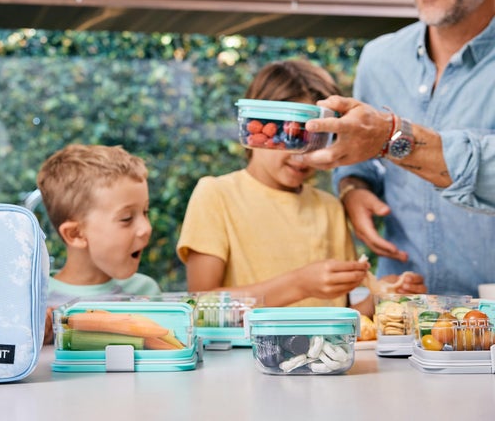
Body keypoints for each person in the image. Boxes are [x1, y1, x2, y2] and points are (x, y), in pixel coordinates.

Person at [299, 0, 495, 297]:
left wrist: (393, 136)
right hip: (402, 320)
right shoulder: (379, 59)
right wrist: (353, 188)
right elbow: (363, 162)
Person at [176, 60, 415, 314]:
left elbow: (341, 315)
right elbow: (201, 307)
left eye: (319, 140)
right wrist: (299, 285)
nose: (303, 155)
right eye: (292, 137)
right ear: (257, 127)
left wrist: (383, 298)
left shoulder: (330, 207)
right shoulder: (216, 195)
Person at [36, 144, 161, 341]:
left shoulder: (146, 292)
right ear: (76, 234)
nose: (146, 228)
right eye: (127, 218)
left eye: (145, 212)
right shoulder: (36, 301)